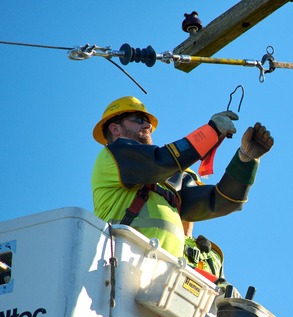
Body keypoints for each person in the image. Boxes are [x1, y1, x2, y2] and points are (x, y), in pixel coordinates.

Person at [91, 96, 273, 260]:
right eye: (138, 120)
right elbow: (160, 161)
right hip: (122, 259)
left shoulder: (170, 178)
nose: (147, 126)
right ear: (115, 128)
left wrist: (246, 160)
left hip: (166, 271)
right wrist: (211, 132)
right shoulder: (113, 156)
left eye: (148, 123)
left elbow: (220, 201)